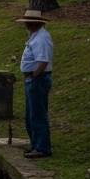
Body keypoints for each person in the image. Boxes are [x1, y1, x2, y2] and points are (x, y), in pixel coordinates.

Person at [16, 9, 53, 159]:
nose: (25, 25)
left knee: (37, 114)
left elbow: (43, 61)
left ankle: (42, 147)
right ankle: (35, 144)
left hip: (37, 79)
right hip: (32, 79)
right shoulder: (35, 36)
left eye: (27, 23)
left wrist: (35, 74)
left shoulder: (41, 39)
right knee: (30, 114)